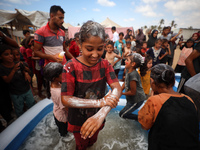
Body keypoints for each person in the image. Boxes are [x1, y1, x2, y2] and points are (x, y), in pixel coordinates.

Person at [61, 21, 122, 150]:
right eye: (89, 49)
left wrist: (101, 114)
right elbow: (66, 99)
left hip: (98, 116)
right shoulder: (70, 67)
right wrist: (99, 103)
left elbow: (117, 88)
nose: (95, 54)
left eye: (100, 49)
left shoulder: (105, 65)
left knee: (93, 141)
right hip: (78, 120)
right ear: (79, 44)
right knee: (81, 145)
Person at [138, 64, 199, 150]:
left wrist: (152, 96)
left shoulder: (154, 101)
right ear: (174, 81)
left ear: (152, 81)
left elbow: (144, 126)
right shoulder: (189, 99)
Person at [0, 44, 35, 117]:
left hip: (26, 90)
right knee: (19, 109)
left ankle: (33, 117)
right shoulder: (2, 68)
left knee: (32, 104)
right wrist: (13, 70)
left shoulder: (18, 63)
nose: (10, 56)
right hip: (16, 93)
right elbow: (7, 80)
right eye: (7, 54)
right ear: (1, 57)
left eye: (11, 54)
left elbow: (28, 71)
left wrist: (26, 71)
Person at [43, 62, 68, 136]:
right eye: (62, 73)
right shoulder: (58, 93)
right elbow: (67, 108)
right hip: (63, 119)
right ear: (55, 78)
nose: (65, 73)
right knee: (64, 135)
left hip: (57, 113)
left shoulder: (54, 83)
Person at [119, 53, 146, 120]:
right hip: (131, 99)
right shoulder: (128, 70)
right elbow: (125, 82)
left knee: (122, 114)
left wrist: (121, 93)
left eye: (127, 60)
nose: (125, 61)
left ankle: (142, 119)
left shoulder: (133, 75)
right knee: (125, 113)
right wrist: (120, 90)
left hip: (137, 100)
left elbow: (133, 92)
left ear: (133, 64)